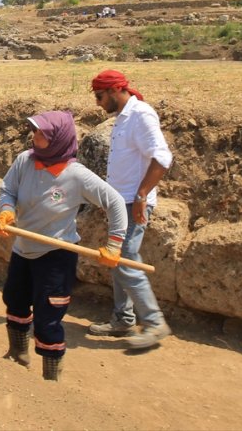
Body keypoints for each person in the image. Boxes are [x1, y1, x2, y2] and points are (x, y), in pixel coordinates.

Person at [0, 111, 127, 381]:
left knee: (48, 316)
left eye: (41, 133)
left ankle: (50, 378)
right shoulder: (24, 161)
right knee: (15, 301)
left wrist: (114, 244)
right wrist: (6, 210)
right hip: (23, 249)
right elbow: (7, 189)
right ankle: (18, 355)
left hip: (55, 256)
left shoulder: (76, 175)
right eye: (35, 131)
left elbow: (115, 202)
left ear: (57, 139)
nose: (34, 137)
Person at [88, 69, 173, 349]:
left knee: (124, 258)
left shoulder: (141, 115)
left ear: (114, 91)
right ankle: (123, 319)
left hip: (134, 202)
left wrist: (141, 195)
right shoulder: (123, 117)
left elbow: (162, 157)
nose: (98, 103)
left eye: (100, 96)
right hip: (119, 201)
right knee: (116, 258)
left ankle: (154, 322)